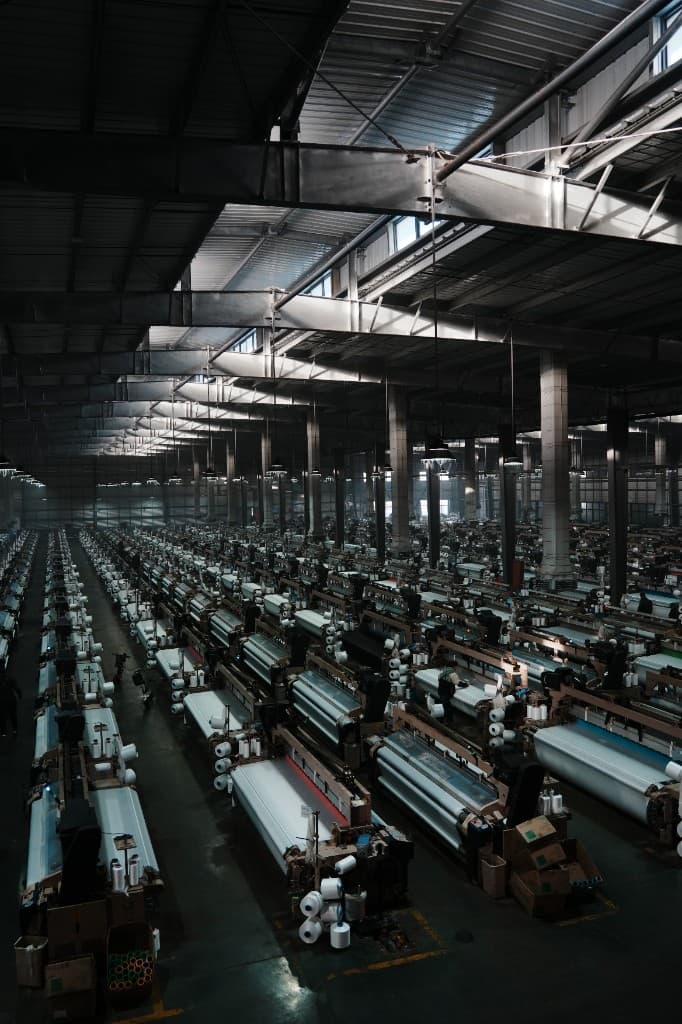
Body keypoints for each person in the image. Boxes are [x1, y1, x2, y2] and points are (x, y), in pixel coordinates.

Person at [0, 669, 21, 736]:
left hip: (2, 701)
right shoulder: (10, 679)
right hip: (11, 700)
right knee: (13, 715)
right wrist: (19, 695)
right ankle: (14, 729)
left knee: (3, 716)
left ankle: (3, 731)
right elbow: (16, 688)